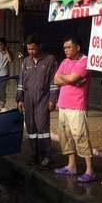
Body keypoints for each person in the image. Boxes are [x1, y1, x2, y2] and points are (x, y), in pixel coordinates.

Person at [53, 36, 95, 183]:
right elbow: (56, 79)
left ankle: (90, 170)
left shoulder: (85, 61)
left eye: (68, 47)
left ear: (77, 47)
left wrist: (67, 79)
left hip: (77, 105)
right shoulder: (65, 61)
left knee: (81, 136)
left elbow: (69, 78)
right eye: (64, 48)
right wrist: (69, 79)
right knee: (66, 136)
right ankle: (72, 166)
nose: (65, 50)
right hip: (63, 104)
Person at [16, 34, 59, 169]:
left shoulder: (50, 60)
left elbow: (54, 82)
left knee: (42, 128)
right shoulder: (26, 62)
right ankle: (34, 155)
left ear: (40, 46)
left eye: (33, 49)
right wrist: (20, 99)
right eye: (28, 49)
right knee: (31, 128)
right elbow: (21, 82)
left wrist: (53, 100)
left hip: (43, 99)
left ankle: (46, 156)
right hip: (28, 99)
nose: (31, 52)